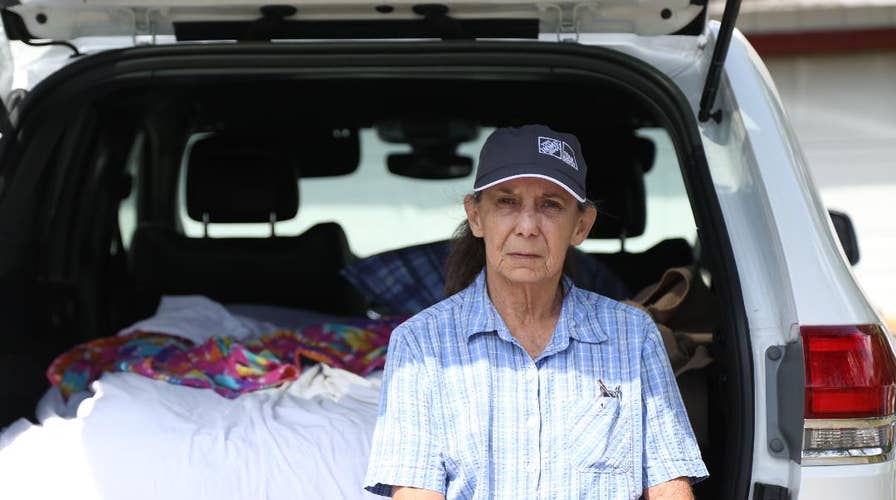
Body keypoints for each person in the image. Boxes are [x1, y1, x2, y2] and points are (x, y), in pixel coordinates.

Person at [364, 124, 707, 499]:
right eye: (507, 202)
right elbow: (416, 493)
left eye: (550, 205)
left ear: (581, 225)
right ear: (476, 216)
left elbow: (668, 486)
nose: (527, 226)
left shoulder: (633, 335)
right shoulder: (420, 344)